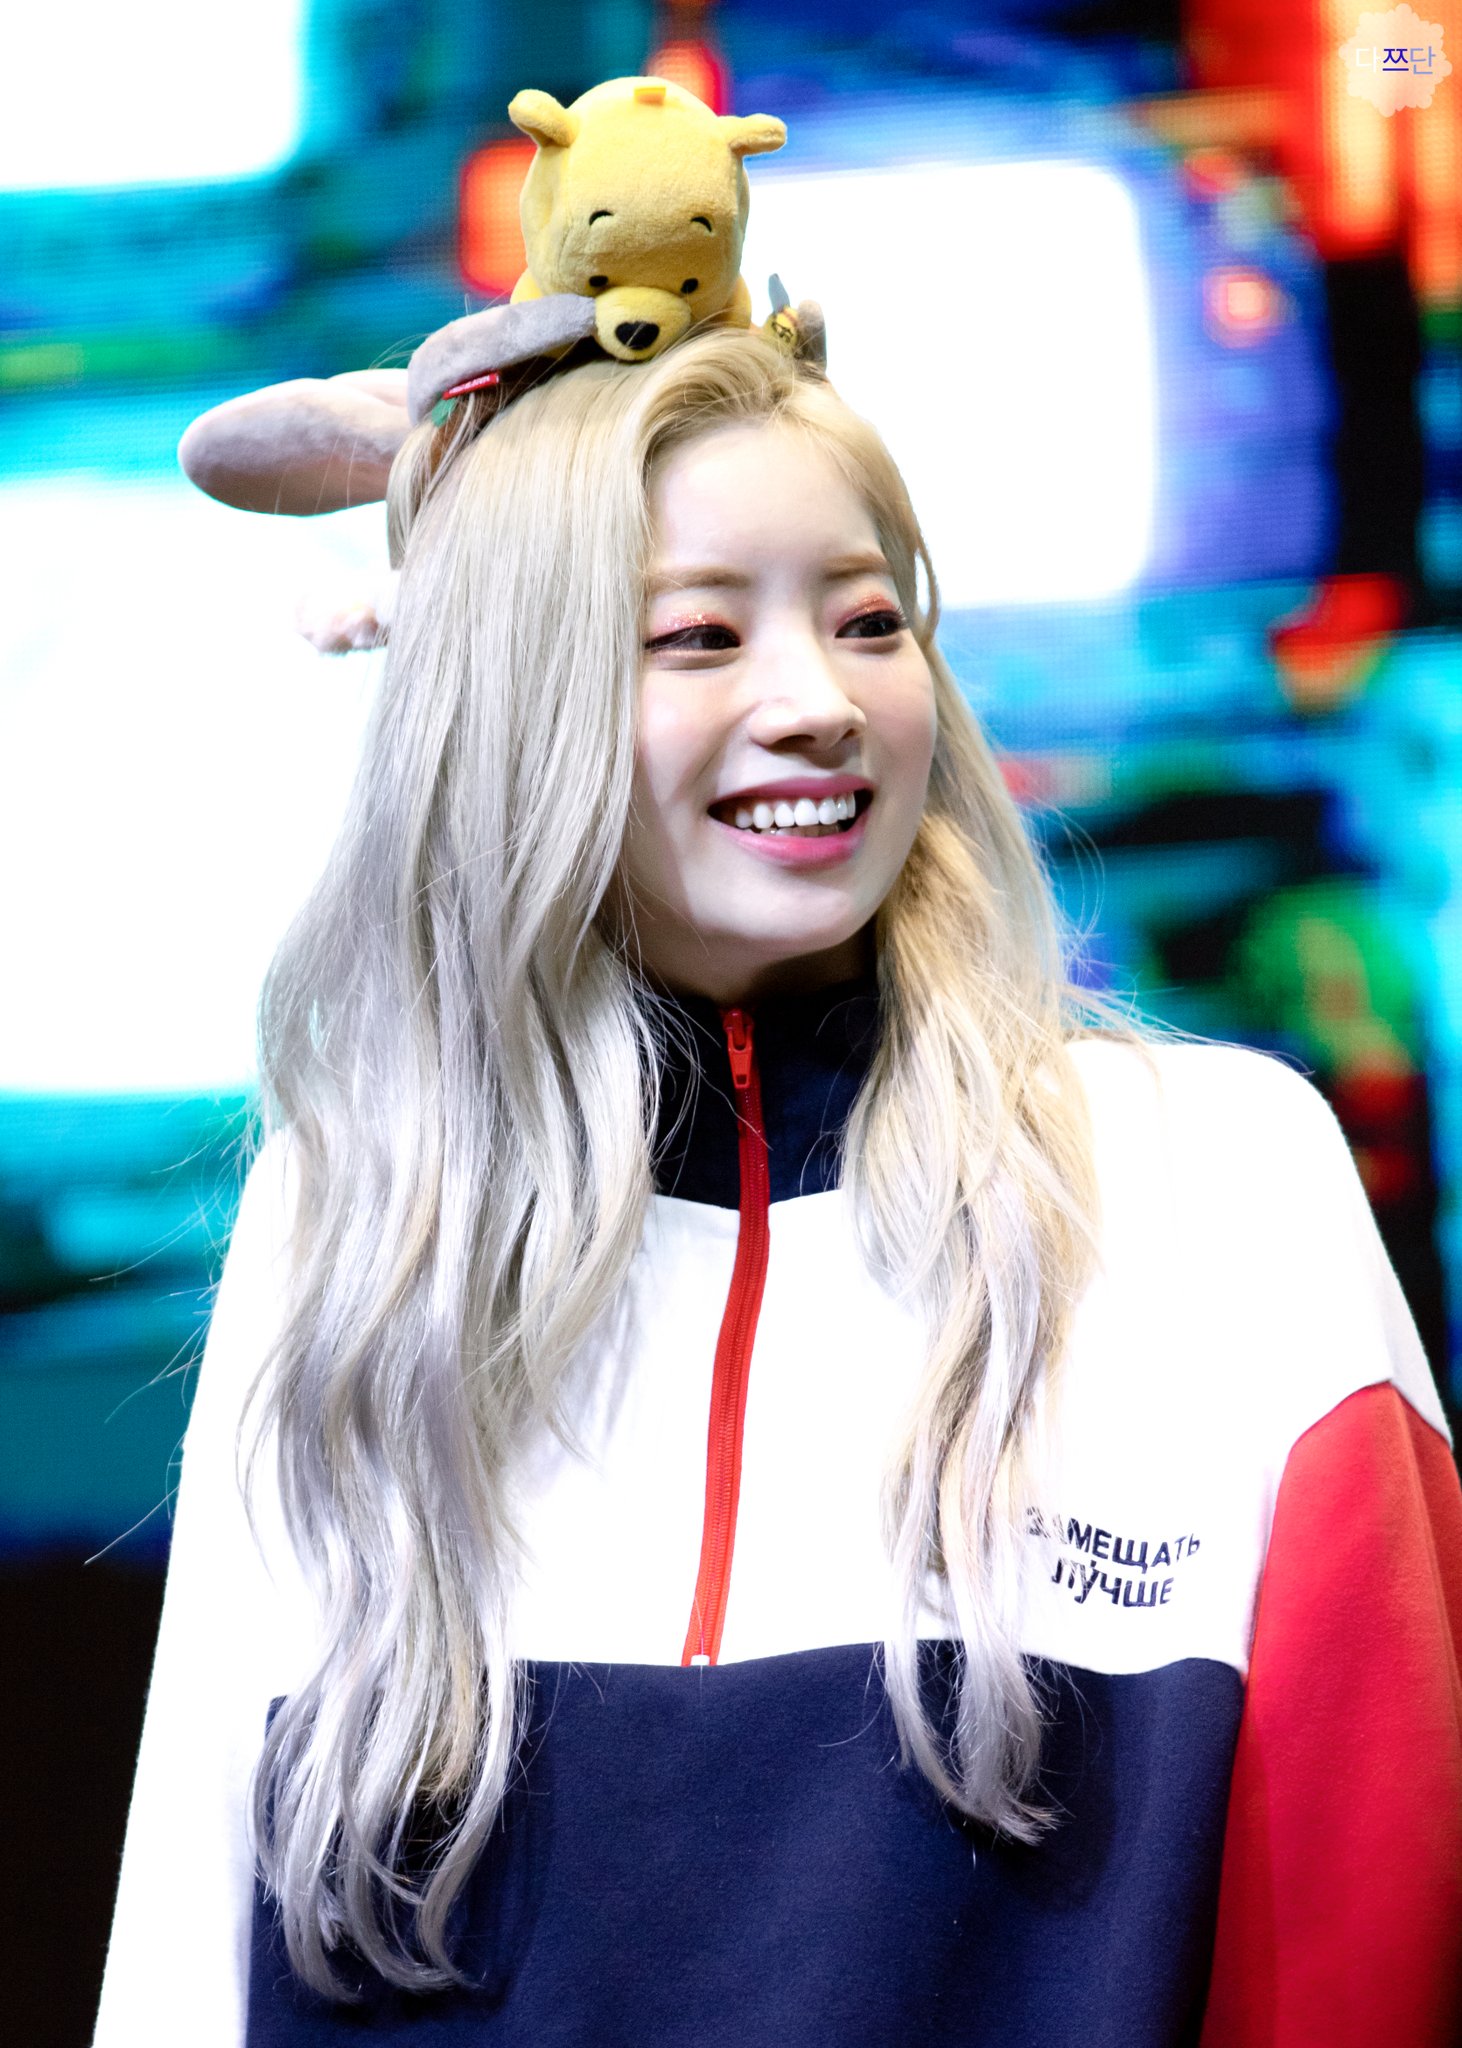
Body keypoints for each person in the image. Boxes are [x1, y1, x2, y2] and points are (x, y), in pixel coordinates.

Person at [95, 327, 1462, 2047]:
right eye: (698, 634)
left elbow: (1369, 1900)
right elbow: (193, 1944)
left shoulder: (1218, 1173)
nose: (819, 697)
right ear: (507, 699)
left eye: (868, 619)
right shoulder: (357, 1220)